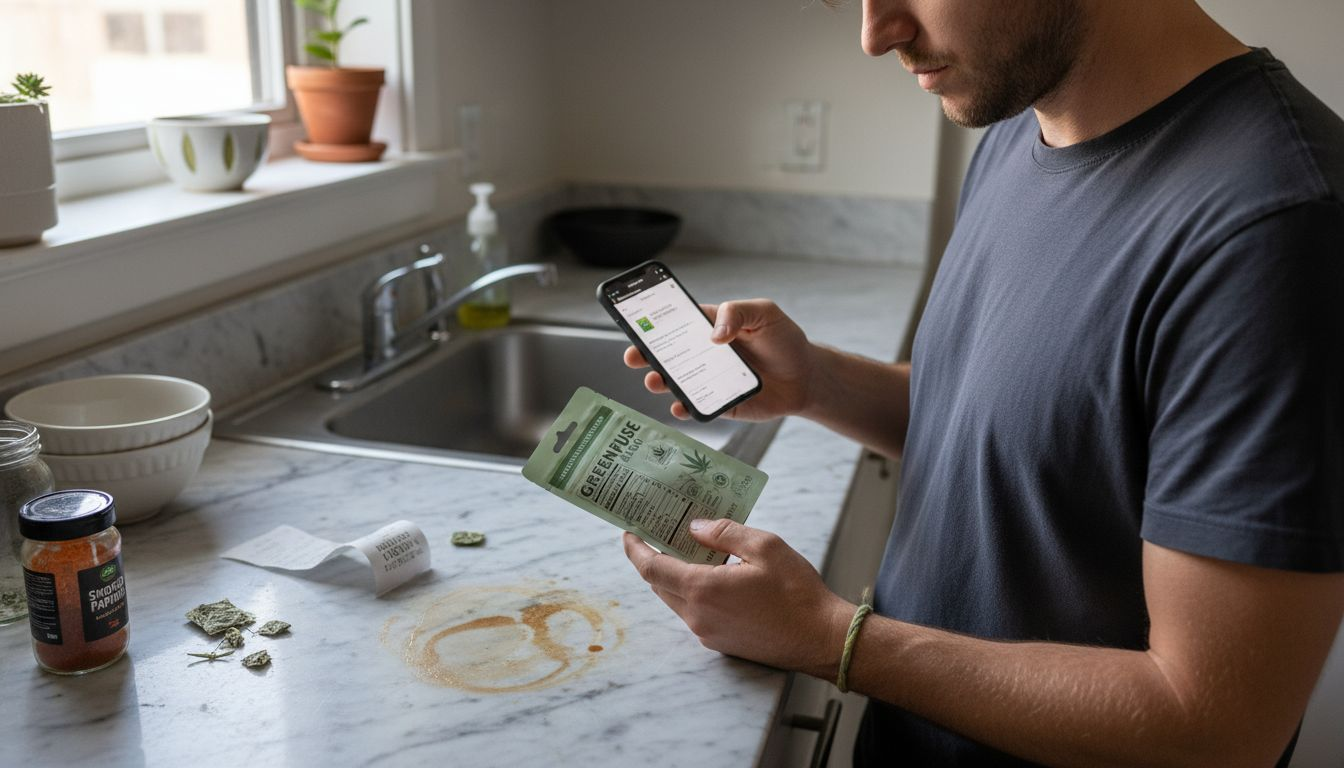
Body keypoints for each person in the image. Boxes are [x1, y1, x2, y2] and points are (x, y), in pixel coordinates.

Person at [618, 0, 1344, 765]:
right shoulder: (1016, 125)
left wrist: (829, 638)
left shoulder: (1277, 230)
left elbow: (1216, 728)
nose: (876, 35)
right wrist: (818, 383)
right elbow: (1035, 435)